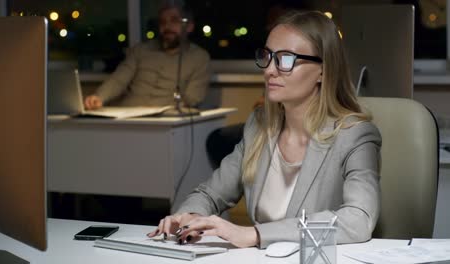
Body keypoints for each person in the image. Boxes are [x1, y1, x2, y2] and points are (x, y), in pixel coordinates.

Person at [148, 11, 381, 249]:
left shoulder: (354, 134)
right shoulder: (259, 125)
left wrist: (256, 234)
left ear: (323, 70)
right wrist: (187, 217)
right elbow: (210, 194)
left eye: (286, 59)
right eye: (267, 56)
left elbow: (358, 219)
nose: (270, 70)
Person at [84, 3, 210, 110]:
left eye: (174, 21)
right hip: (128, 115)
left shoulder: (199, 57)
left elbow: (193, 98)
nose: (167, 27)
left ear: (189, 27)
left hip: (166, 120)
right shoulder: (141, 50)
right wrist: (99, 97)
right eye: (163, 22)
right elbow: (119, 79)